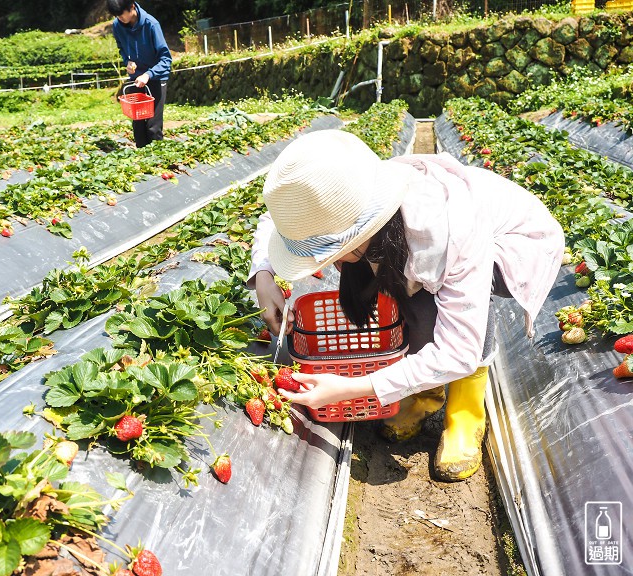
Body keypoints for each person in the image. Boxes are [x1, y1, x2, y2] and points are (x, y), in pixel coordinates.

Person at [249, 129, 564, 482]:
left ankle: (465, 416)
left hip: (515, 241)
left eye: (332, 253)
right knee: (398, 289)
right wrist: (264, 274)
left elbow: (460, 349)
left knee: (431, 309)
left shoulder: (444, 231)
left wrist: (354, 388)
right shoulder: (342, 193)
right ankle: (422, 395)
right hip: (416, 238)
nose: (330, 264)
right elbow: (276, 221)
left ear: (361, 232)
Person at [107, 0, 172, 148]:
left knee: (153, 126)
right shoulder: (117, 26)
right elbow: (121, 48)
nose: (119, 19)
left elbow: (166, 59)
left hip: (156, 77)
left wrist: (149, 74)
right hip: (136, 79)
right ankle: (143, 162)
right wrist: (127, 62)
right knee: (138, 124)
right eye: (116, 16)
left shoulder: (151, 24)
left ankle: (158, 159)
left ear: (131, 7)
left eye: (121, 15)